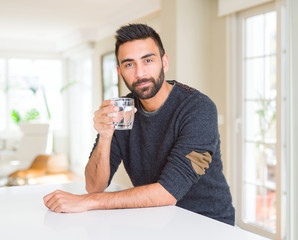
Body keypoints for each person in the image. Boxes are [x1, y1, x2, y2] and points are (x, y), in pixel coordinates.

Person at [43, 24, 235, 225]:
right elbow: (94, 185)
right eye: (129, 64)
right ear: (120, 71)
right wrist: (105, 136)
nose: (140, 73)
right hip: (155, 220)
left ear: (164, 62)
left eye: (148, 60)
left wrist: (87, 202)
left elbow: (168, 192)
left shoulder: (198, 109)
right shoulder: (123, 111)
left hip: (209, 223)